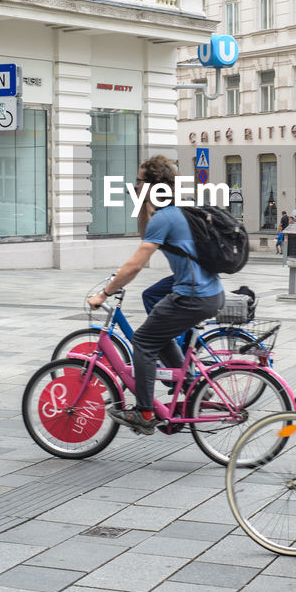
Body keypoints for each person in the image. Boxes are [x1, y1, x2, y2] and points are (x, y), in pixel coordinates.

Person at [89, 155, 224, 434]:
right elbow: (143, 241)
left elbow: (136, 264)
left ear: (153, 185)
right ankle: (194, 388)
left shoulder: (166, 217)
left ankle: (145, 413)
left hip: (193, 295)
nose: (135, 185)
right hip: (207, 292)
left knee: (142, 340)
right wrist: (142, 204)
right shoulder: (175, 211)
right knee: (158, 335)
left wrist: (105, 293)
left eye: (139, 181)